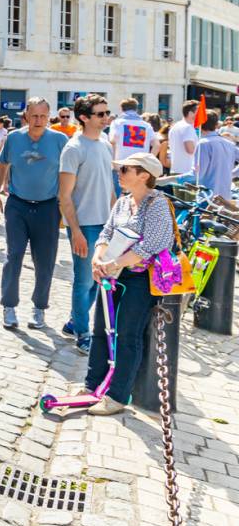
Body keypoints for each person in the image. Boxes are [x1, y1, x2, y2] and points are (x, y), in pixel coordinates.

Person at [86, 153, 175, 415]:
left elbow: (152, 245)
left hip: (140, 278)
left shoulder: (157, 204)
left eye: (125, 169)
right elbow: (106, 232)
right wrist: (97, 258)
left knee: (127, 335)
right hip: (113, 272)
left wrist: (115, 264)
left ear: (144, 175)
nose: (119, 173)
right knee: (101, 329)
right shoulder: (123, 202)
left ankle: (117, 396)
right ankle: (92, 385)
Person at [0, 97, 68, 330]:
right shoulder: (14, 138)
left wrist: (66, 205)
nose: (38, 121)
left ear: (49, 117)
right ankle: (9, 305)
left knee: (44, 261)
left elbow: (68, 174)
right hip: (18, 205)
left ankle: (39, 308)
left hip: (47, 207)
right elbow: (1, 166)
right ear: (26, 115)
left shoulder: (59, 140)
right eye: (34, 116)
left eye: (43, 116)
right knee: (13, 255)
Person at [58, 95, 115, 355]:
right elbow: (65, 196)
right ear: (84, 117)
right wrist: (76, 232)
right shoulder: (74, 148)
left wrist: (117, 221)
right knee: (83, 282)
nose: (106, 118)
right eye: (100, 114)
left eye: (107, 113)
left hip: (105, 225)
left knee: (96, 280)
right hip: (85, 225)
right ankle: (82, 332)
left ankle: (73, 322)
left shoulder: (104, 144)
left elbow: (110, 187)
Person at [194, 110, 239, 199]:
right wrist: (232, 174)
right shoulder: (229, 144)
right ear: (216, 125)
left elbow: (197, 175)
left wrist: (170, 179)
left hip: (207, 198)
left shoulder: (203, 144)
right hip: (225, 197)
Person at [109, 98, 159, 163]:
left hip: (121, 164)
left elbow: (112, 141)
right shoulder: (146, 125)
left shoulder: (117, 123)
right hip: (140, 166)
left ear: (121, 109)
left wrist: (113, 161)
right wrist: (148, 162)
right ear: (136, 109)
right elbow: (157, 145)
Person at [168, 100, 200, 175]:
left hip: (176, 169)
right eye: (198, 112)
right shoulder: (187, 127)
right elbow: (190, 149)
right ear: (190, 113)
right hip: (186, 171)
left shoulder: (176, 126)